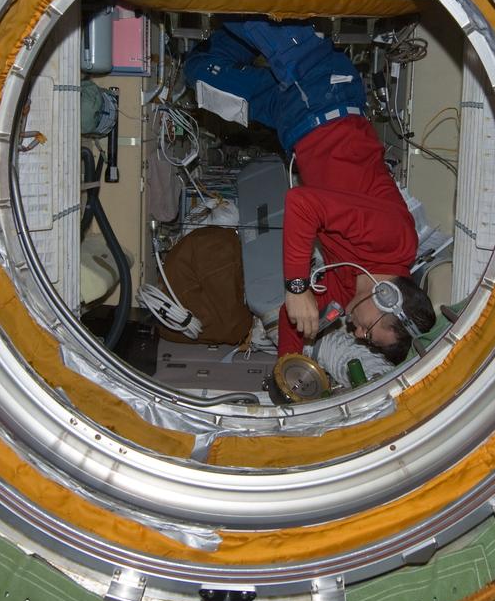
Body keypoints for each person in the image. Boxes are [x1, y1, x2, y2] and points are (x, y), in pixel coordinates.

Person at [184, 18, 436, 365]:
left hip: (294, 122)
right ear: (388, 298)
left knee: (198, 75)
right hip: (323, 93)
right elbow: (303, 204)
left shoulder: (352, 284)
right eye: (371, 333)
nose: (359, 335)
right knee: (246, 10)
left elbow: (301, 317)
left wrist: (287, 367)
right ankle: (277, 24)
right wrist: (297, 288)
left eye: (366, 342)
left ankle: (235, 34)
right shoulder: (393, 240)